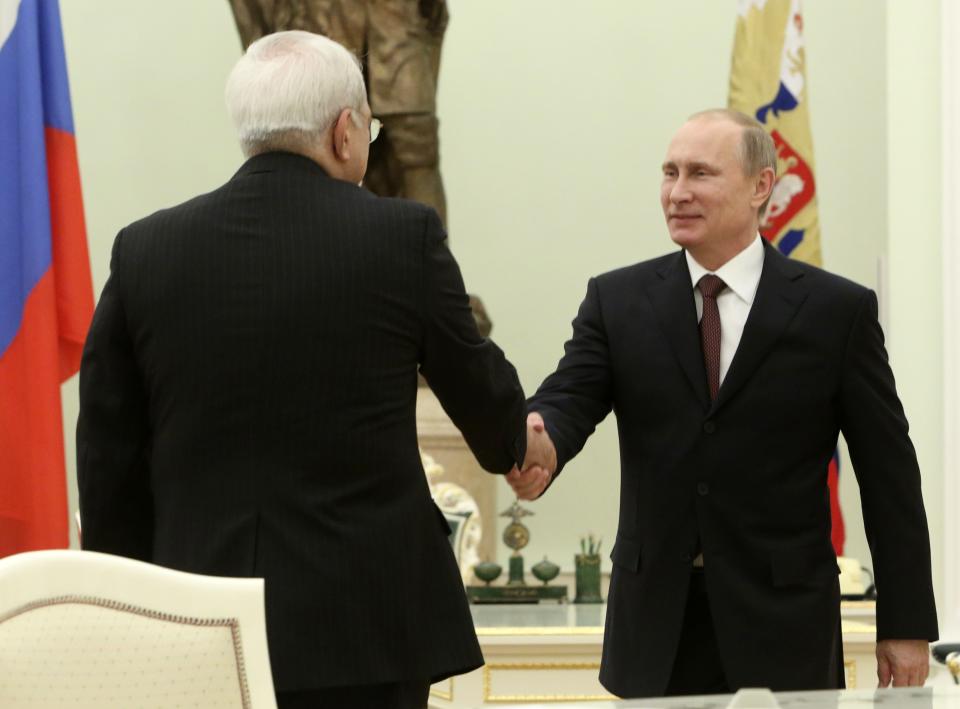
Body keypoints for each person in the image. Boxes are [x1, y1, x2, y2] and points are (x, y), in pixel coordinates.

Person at [76, 31, 550, 709]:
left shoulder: (146, 248)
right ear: (343, 131)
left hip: (197, 623)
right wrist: (517, 445)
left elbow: (106, 448)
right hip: (366, 629)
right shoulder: (402, 237)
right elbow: (477, 383)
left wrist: (128, 604)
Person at [507, 109, 939, 698]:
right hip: (656, 625)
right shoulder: (618, 300)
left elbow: (889, 473)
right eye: (669, 172)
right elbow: (567, 397)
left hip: (784, 628)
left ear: (761, 186)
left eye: (701, 174)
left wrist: (907, 624)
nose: (677, 193)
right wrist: (540, 442)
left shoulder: (836, 312)